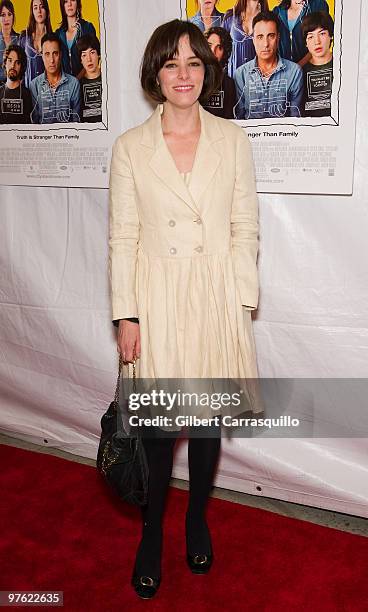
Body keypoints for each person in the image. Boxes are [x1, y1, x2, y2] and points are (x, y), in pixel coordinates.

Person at [109, 18, 261, 599]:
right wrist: (127, 314)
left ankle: (197, 518)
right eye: (171, 63)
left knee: (203, 424)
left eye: (194, 62)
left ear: (207, 70)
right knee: (155, 428)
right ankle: (151, 533)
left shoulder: (233, 140)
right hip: (157, 296)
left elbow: (245, 226)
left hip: (214, 293)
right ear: (155, 72)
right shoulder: (129, 148)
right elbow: (123, 236)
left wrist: (240, 302)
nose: (183, 74)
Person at [234, 11, 303, 119]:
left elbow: (295, 117)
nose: (265, 44)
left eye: (271, 36)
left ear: (278, 38)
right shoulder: (240, 74)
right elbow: (239, 118)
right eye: (260, 37)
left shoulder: (294, 72)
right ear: (253, 40)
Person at [30, 33, 80, 123]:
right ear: (42, 56)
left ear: (60, 55)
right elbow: (34, 122)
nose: (51, 60)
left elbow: (76, 121)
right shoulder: (34, 85)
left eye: (55, 53)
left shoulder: (74, 84)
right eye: (47, 54)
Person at [273, 0, 329, 66]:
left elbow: (322, 41)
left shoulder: (318, 5)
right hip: (285, 71)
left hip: (311, 67)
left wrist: (297, 67)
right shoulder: (277, 11)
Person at [222, 0, 269, 78]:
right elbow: (221, 48)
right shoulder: (231, 16)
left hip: (258, 79)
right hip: (234, 77)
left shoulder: (267, 18)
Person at [301, 11, 333, 117]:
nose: (317, 41)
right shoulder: (299, 73)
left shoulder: (343, 66)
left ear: (331, 36)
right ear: (305, 43)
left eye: (322, 33)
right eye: (310, 37)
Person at [55, 0, 96, 78]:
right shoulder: (58, 34)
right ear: (63, 5)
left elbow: (93, 57)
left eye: (73, 0)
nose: (69, 4)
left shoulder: (87, 28)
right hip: (66, 85)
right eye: (66, 1)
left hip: (85, 80)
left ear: (78, 3)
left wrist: (76, 80)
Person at [204, 26, 237, 119]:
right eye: (209, 45)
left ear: (225, 52)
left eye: (219, 47)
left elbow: (228, 121)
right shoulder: (193, 78)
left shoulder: (229, 84)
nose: (212, 51)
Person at [18, 0, 53, 88]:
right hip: (27, 89)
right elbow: (19, 65)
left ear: (47, 10)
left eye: (42, 7)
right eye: (35, 8)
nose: (39, 11)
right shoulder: (24, 37)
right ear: (32, 12)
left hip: (47, 91)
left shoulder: (52, 37)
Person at [0, 44, 32, 123]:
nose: (13, 66)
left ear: (21, 66)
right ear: (5, 63)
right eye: (10, 60)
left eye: (17, 62)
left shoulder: (27, 94)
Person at [76, 33, 102, 122]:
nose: (89, 59)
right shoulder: (77, 85)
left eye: (92, 52)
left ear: (99, 55)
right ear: (81, 60)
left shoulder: (108, 80)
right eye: (84, 55)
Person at [0, 0, 18, 83]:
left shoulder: (20, 39)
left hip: (17, 86)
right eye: (3, 15)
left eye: (9, 14)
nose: (6, 18)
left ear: (13, 17)